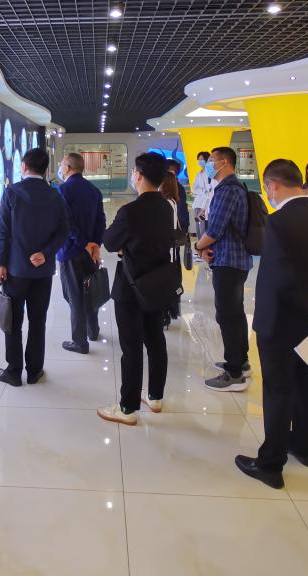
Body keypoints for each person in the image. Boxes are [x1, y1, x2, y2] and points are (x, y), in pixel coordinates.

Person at [233, 159, 308, 489]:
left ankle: (271, 464)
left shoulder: (278, 222)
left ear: (273, 186)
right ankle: (305, 447)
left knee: (278, 390)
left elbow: (280, 278)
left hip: (280, 321)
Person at [97, 153, 174, 425]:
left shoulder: (129, 211)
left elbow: (109, 241)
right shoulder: (167, 207)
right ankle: (155, 396)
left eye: (133, 171)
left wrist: (124, 245)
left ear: (139, 175)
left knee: (131, 347)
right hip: (158, 283)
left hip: (131, 287)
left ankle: (128, 408)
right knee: (155, 340)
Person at [0, 147, 70, 386]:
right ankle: (35, 371)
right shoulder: (55, 196)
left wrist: (0, 263)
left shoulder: (11, 193)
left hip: (15, 270)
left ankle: (14, 371)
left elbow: (2, 231)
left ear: (24, 167)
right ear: (45, 169)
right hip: (43, 272)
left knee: (13, 321)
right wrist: (46, 253)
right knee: (38, 321)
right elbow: (64, 231)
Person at [194, 146, 253, 392]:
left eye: (212, 160)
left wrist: (198, 246)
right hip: (233, 258)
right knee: (235, 313)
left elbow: (215, 228)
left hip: (229, 260)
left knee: (227, 315)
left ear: (225, 163)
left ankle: (234, 372)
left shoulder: (228, 190)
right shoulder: (234, 187)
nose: (209, 165)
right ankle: (241, 361)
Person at [56, 152, 106, 354]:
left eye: (61, 164)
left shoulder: (63, 190)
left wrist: (84, 243)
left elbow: (66, 223)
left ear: (67, 167)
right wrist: (95, 245)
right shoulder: (94, 190)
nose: (60, 168)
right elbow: (101, 221)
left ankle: (79, 341)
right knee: (91, 289)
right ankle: (93, 331)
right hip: (90, 253)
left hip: (70, 252)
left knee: (74, 296)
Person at [159, 171, 183, 327]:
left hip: (166, 252)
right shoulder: (173, 201)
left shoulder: (166, 203)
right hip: (171, 252)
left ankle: (164, 315)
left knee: (163, 285)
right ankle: (166, 314)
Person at [191, 151, 214, 256]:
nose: (200, 161)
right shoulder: (199, 173)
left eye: (202, 159)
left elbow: (210, 190)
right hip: (197, 204)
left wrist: (203, 191)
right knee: (198, 227)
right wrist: (202, 191)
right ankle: (200, 250)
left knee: (203, 228)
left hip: (205, 205)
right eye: (198, 159)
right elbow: (194, 189)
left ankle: (204, 251)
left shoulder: (211, 173)